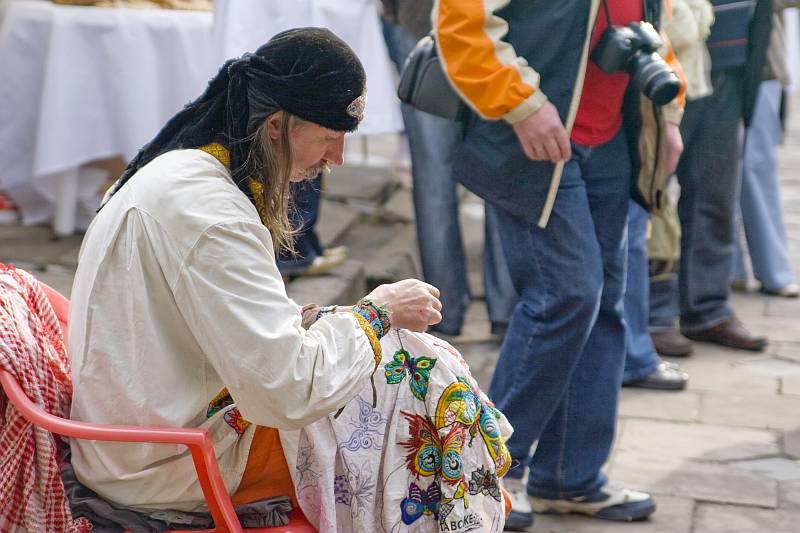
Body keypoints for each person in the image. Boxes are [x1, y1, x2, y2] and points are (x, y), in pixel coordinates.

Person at [67, 28, 511, 531]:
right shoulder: (213, 216)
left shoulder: (186, 175)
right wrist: (377, 312)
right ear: (277, 125)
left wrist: (347, 322)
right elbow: (288, 391)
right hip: (165, 463)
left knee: (414, 367)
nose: (336, 159)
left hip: (143, 435)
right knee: (418, 398)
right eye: (328, 137)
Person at [434, 0, 685, 528]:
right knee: (564, 296)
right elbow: (462, 22)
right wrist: (522, 104)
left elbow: (649, 24)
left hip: (611, 137)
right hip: (535, 137)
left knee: (602, 304)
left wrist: (666, 115)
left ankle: (570, 477)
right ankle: (489, 471)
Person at [380, 0, 518, 338]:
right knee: (498, 168)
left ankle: (443, 313)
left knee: (435, 177)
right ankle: (501, 312)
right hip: (489, 23)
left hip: (431, 22)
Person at [665, 0, 772, 351]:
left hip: (732, 57)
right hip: (669, 58)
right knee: (653, 202)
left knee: (716, 197)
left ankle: (707, 309)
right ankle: (653, 315)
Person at [623, 0, 715, 388]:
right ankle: (633, 352)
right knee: (629, 243)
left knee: (636, 238)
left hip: (646, 108)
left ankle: (635, 353)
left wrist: (669, 119)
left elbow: (672, 32)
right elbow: (679, 29)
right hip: (614, 113)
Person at [732, 0, 800, 298]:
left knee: (755, 168)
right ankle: (729, 268)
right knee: (717, 174)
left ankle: (772, 270)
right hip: (716, 65)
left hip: (760, 68)